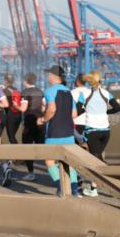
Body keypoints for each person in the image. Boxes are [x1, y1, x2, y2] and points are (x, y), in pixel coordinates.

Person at [78, 71, 120, 196]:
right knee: (97, 158)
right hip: (105, 131)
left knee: (95, 160)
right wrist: (106, 113)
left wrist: (83, 110)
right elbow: (118, 108)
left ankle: (106, 183)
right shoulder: (106, 93)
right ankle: (95, 187)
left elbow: (77, 110)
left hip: (92, 130)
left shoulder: (85, 94)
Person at [42, 64, 80, 196]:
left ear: (53, 76)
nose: (47, 76)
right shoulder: (68, 92)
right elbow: (74, 114)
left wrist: (43, 119)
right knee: (69, 162)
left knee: (49, 160)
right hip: (69, 131)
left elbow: (51, 109)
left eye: (49, 74)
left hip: (54, 131)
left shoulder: (49, 91)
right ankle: (74, 189)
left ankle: (60, 187)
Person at [19, 72, 45, 181]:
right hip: (39, 121)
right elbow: (44, 106)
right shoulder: (40, 91)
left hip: (29, 121)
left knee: (27, 147)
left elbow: (23, 109)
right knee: (42, 146)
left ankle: (31, 173)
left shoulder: (24, 92)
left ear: (25, 81)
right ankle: (53, 170)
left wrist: (16, 105)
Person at [2, 74, 23, 146]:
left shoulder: (4, 91)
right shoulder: (17, 90)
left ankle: (17, 155)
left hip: (10, 116)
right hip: (18, 115)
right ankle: (15, 156)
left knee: (11, 137)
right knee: (13, 136)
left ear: (5, 81)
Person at [71, 73, 92, 146]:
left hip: (74, 124)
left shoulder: (71, 93)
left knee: (75, 148)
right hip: (88, 123)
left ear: (77, 81)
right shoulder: (91, 92)